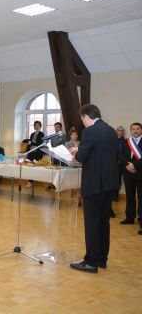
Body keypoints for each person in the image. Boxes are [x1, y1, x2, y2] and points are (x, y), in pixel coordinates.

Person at [68, 104, 118, 273]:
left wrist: (76, 151)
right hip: (110, 184)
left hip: (94, 185)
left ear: (86, 117)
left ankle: (90, 262)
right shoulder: (110, 130)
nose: (82, 123)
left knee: (92, 224)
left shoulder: (89, 132)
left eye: (82, 119)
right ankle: (102, 259)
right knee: (104, 223)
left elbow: (82, 157)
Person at [119, 122, 142, 233]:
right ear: (130, 130)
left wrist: (135, 165)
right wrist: (128, 165)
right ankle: (129, 217)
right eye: (133, 129)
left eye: (137, 129)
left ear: (141, 130)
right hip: (128, 173)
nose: (135, 131)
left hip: (140, 173)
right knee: (130, 196)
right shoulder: (125, 142)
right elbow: (121, 155)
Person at [26, 121, 45, 188]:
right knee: (30, 167)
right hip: (31, 153)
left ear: (40, 126)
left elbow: (41, 144)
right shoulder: (32, 134)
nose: (36, 126)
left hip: (37, 153)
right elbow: (30, 143)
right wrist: (29, 148)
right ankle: (30, 182)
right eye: (35, 125)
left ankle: (31, 181)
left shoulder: (42, 134)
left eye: (38, 125)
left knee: (35, 168)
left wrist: (35, 147)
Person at [115, 126, 126, 202]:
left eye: (122, 130)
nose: (120, 131)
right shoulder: (112, 141)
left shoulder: (126, 141)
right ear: (116, 131)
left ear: (123, 132)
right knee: (116, 180)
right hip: (115, 164)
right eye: (118, 130)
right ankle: (114, 196)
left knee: (126, 180)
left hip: (124, 164)